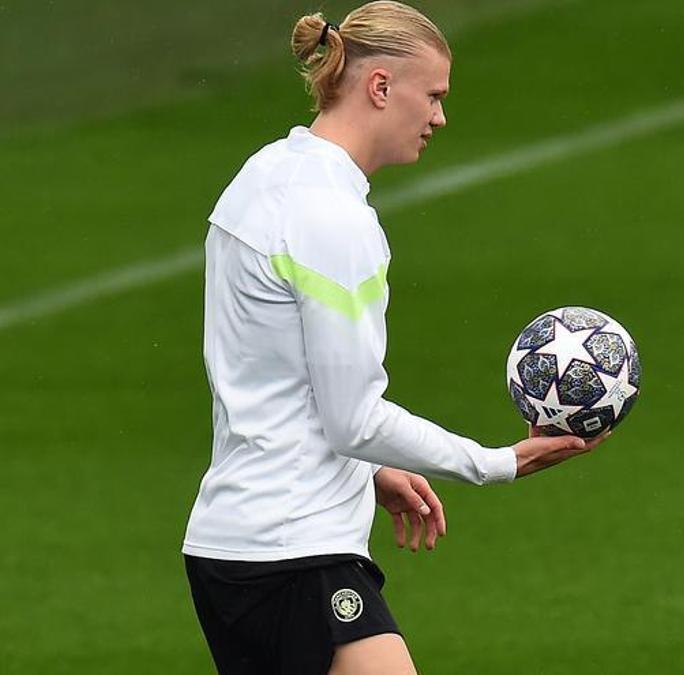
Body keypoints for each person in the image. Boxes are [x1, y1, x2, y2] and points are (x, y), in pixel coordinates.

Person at [181, 3, 604, 673]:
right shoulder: (334, 222)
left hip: (231, 546)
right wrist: (497, 461)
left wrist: (370, 470)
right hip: (295, 551)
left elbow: (274, 374)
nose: (439, 117)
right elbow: (353, 418)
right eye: (432, 95)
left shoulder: (263, 176)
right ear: (380, 87)